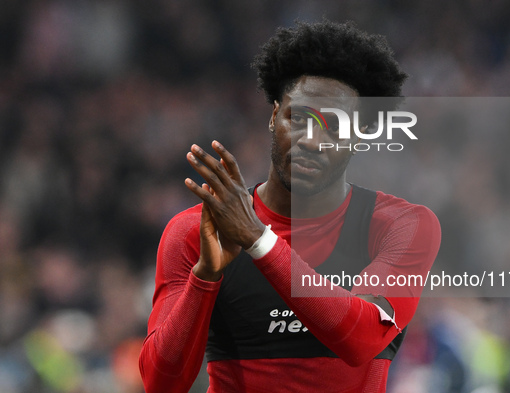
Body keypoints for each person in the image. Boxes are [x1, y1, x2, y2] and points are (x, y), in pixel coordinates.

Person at [139, 20, 440, 393]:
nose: (311, 140)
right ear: (273, 116)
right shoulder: (197, 232)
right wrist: (205, 277)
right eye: (299, 118)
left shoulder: (401, 226)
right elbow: (160, 383)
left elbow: (360, 340)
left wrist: (259, 242)